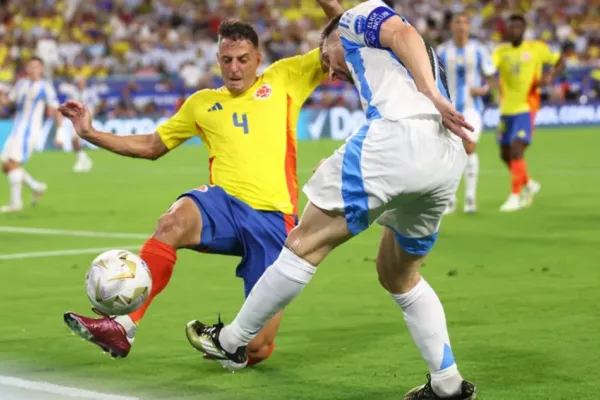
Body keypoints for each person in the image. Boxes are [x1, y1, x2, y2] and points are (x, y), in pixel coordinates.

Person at [188, 1, 477, 399]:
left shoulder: (361, 20)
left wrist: (431, 95)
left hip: (399, 138)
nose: (332, 71)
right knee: (398, 274)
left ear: (336, 36)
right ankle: (448, 384)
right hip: (444, 160)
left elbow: (394, 31)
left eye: (327, 58)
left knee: (303, 243)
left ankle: (232, 339)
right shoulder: (392, 57)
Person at [59, 20, 327, 368]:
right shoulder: (201, 104)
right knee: (171, 223)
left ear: (258, 58)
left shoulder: (286, 77)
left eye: (243, 59)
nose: (234, 68)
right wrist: (91, 133)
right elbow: (152, 145)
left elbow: (342, 37)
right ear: (217, 59)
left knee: (256, 349)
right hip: (224, 206)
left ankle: (230, 340)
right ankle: (123, 326)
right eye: (227, 59)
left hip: (274, 220)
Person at [492, 14, 564, 212]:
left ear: (524, 29)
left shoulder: (536, 48)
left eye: (518, 27)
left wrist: (550, 76)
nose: (515, 30)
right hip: (506, 109)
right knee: (504, 154)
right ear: (507, 30)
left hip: (527, 106)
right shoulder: (501, 51)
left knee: (517, 148)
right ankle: (529, 183)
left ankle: (515, 195)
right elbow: (489, 67)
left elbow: (560, 61)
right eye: (511, 27)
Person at [437, 12, 496, 214]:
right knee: (448, 152)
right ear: (452, 26)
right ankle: (450, 198)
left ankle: (470, 197)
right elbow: (432, 78)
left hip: (472, 108)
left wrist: (484, 90)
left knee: (469, 148)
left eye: (465, 23)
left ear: (469, 27)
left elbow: (491, 78)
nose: (461, 26)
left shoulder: (479, 50)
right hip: (448, 109)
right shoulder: (442, 51)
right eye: (457, 22)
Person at [0, 57, 61, 213]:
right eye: (31, 66)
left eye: (37, 67)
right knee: (6, 165)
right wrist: (2, 97)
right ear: (27, 69)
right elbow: (9, 102)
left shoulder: (45, 87)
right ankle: (36, 186)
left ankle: (16, 203)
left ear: (41, 69)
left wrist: (59, 132)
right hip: (16, 129)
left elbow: (55, 109)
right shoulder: (21, 84)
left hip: (29, 132)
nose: (34, 69)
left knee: (13, 163)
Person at [56, 76, 99, 173]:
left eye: (83, 81)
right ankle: (84, 160)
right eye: (79, 81)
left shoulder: (90, 92)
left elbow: (97, 103)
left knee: (76, 138)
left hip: (86, 118)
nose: (81, 83)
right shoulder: (73, 93)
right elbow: (67, 104)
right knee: (74, 140)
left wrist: (92, 114)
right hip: (76, 118)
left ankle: (83, 160)